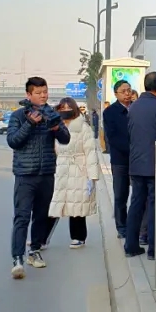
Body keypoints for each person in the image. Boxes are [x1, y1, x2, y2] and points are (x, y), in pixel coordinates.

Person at [6, 77, 70, 279]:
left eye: (45, 92)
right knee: (22, 217)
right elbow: (13, 141)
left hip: (47, 173)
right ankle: (18, 258)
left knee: (41, 216)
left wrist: (57, 128)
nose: (43, 96)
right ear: (29, 94)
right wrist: (29, 124)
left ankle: (34, 251)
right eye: (38, 93)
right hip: (25, 174)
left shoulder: (52, 114)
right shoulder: (18, 116)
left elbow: (66, 139)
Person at [124, 71, 156, 259]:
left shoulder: (133, 106)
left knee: (136, 204)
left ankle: (130, 246)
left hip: (136, 164)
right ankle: (153, 250)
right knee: (154, 205)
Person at [49, 97, 102, 247]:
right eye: (62, 108)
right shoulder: (55, 127)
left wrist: (92, 176)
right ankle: (41, 239)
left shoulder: (83, 127)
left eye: (69, 108)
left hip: (79, 169)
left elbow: (90, 153)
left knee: (77, 205)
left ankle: (78, 237)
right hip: (60, 168)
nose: (66, 110)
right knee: (54, 204)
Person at [103, 79, 133, 238]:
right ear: (116, 94)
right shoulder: (110, 112)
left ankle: (135, 226)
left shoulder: (136, 108)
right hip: (120, 160)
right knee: (121, 195)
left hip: (137, 159)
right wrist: (132, 149)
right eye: (124, 91)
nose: (127, 94)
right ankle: (121, 227)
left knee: (139, 195)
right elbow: (112, 138)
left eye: (129, 90)